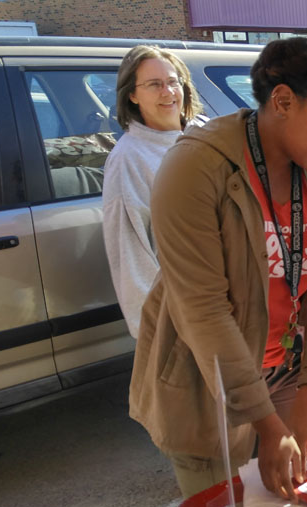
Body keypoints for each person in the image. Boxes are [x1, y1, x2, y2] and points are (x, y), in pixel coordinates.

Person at [129, 38, 307, 500]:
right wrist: (267, 424)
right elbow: (203, 310)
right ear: (283, 102)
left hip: (288, 372)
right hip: (208, 390)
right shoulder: (194, 167)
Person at [102, 45, 203, 337]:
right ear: (132, 95)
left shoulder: (207, 135)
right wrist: (159, 332)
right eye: (154, 84)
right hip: (187, 316)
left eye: (173, 81)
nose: (168, 92)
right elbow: (131, 255)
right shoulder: (128, 160)